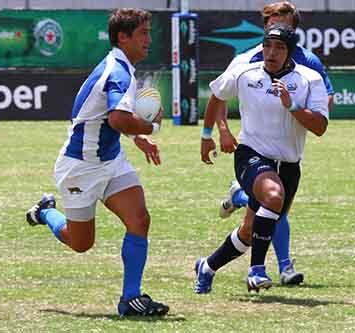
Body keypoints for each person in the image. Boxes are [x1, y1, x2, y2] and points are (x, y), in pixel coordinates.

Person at [25, 8, 169, 317]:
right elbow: (118, 118)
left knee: (139, 220)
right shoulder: (117, 71)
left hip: (110, 160)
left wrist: (138, 138)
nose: (148, 39)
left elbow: (109, 118)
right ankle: (45, 212)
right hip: (80, 167)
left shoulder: (123, 68)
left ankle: (130, 298)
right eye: (143, 33)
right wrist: (150, 127)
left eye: (149, 33)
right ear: (123, 37)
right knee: (80, 243)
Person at [194, 1, 334, 294]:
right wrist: (211, 134)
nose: (271, 52)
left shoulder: (310, 77)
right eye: (267, 44)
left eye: (279, 47)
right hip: (252, 155)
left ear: (291, 49)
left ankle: (206, 267)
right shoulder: (246, 69)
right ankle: (259, 270)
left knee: (250, 231)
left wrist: (292, 105)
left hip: (289, 165)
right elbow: (216, 95)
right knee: (273, 196)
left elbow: (320, 126)